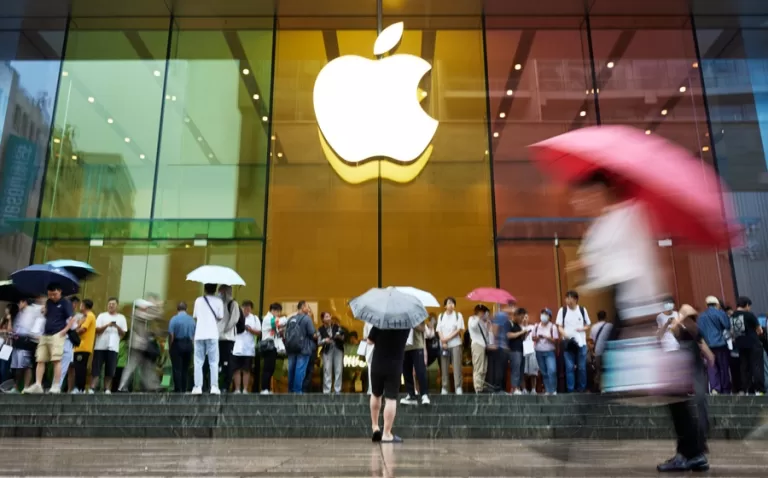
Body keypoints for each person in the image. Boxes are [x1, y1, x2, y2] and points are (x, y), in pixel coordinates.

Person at [657, 304, 710, 472]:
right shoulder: (677, 325)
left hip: (689, 369)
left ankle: (690, 454)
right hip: (682, 366)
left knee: (685, 405)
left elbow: (700, 341)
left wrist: (682, 316)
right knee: (681, 404)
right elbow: (672, 332)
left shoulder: (691, 326)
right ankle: (693, 454)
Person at [23, 283, 76, 394]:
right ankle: (38, 384)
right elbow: (48, 316)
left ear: (60, 291)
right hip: (46, 334)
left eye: (54, 294)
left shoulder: (65, 303)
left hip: (58, 334)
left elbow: (72, 319)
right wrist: (44, 311)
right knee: (40, 359)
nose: (52, 296)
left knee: (56, 360)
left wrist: (64, 331)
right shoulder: (48, 302)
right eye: (50, 294)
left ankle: (56, 385)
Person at [368, 325, 411, 443]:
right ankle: (387, 433)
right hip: (394, 365)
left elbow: (369, 340)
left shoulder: (380, 321)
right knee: (391, 398)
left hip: (377, 363)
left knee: (376, 394)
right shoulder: (405, 325)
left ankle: (375, 427)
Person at [119, 296, 162, 392]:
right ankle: (122, 386)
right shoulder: (138, 313)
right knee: (131, 366)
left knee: (147, 365)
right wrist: (156, 307)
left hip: (143, 345)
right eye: (146, 306)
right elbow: (151, 317)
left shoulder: (141, 314)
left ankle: (153, 386)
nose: (147, 308)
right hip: (137, 345)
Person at [555, 291, 591, 393]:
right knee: (569, 368)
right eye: (566, 298)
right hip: (568, 343)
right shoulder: (563, 310)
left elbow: (588, 325)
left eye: (570, 298)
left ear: (575, 299)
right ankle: (571, 390)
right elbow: (559, 326)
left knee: (582, 367)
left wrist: (582, 328)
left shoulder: (582, 310)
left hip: (581, 343)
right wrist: (565, 335)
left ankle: (581, 388)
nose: (568, 300)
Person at [192, 283, 224, 395]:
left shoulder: (198, 300)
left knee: (198, 361)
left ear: (205, 289)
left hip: (199, 334)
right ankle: (214, 387)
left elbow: (195, 316)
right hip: (212, 334)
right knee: (214, 362)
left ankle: (197, 387)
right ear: (215, 290)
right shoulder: (219, 301)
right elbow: (220, 316)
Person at [91, 297, 127, 393]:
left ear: (117, 306)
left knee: (110, 370)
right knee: (96, 368)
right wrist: (107, 325)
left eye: (113, 304)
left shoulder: (121, 318)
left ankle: (107, 388)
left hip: (113, 348)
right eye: (109, 304)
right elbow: (96, 330)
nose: (111, 306)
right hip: (100, 346)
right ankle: (93, 387)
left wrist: (116, 326)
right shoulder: (102, 316)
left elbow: (123, 333)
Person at [697, 296, 732, 394]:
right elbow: (727, 326)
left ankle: (715, 388)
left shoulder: (701, 316)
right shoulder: (720, 313)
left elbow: (699, 332)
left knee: (712, 368)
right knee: (723, 367)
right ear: (717, 304)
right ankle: (725, 389)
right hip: (720, 344)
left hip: (707, 346)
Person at [731, 296, 765, 395]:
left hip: (740, 345)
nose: (749, 308)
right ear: (746, 305)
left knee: (744, 368)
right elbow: (759, 330)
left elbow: (732, 332)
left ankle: (748, 390)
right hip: (753, 344)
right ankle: (759, 390)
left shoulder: (732, 317)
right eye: (749, 306)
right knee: (757, 366)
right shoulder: (749, 315)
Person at [11, 297, 43, 392]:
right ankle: (15, 387)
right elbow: (16, 327)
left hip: (28, 340)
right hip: (18, 340)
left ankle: (25, 387)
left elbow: (41, 309)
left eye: (20, 302)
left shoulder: (32, 310)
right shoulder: (20, 313)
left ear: (24, 302)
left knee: (26, 365)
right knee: (17, 366)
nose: (18, 304)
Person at [285, 300, 315, 394]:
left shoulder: (291, 319)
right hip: (303, 348)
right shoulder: (307, 319)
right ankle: (297, 391)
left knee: (291, 370)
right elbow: (312, 333)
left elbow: (286, 333)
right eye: (307, 307)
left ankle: (290, 390)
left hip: (291, 348)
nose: (308, 309)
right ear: (302, 307)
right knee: (300, 370)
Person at [436, 297, 465, 395]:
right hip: (444, 345)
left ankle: (458, 387)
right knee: (444, 366)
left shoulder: (458, 315)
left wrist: (446, 339)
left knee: (457, 366)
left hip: (455, 344)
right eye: (449, 303)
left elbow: (458, 330)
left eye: (453, 303)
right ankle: (444, 387)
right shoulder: (440, 316)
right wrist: (443, 341)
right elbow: (439, 330)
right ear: (445, 306)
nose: (451, 305)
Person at [232, 300, 260, 394]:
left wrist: (250, 329)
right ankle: (237, 389)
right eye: (244, 307)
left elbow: (259, 333)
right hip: (236, 347)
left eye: (248, 308)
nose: (246, 310)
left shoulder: (254, 318)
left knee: (246, 370)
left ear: (251, 309)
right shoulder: (236, 318)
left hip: (248, 349)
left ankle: (245, 389)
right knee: (236, 370)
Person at [217, 285, 241, 393]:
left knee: (227, 363)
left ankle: (225, 385)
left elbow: (234, 320)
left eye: (221, 291)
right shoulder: (219, 303)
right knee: (218, 363)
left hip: (228, 338)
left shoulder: (233, 304)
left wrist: (225, 330)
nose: (219, 294)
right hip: (218, 338)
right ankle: (217, 384)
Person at [400, 319, 430, 405]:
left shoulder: (416, 314)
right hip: (404, 346)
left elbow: (423, 329)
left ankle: (424, 394)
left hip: (417, 346)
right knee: (406, 371)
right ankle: (410, 394)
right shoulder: (400, 315)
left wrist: (412, 323)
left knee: (420, 371)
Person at [168, 301, 195, 393]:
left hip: (177, 344)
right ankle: (184, 388)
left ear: (177, 309)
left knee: (177, 368)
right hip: (188, 345)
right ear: (186, 309)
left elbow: (171, 335)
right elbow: (194, 335)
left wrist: (170, 347)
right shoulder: (191, 319)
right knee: (185, 368)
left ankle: (178, 388)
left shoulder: (174, 319)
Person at [72, 299, 96, 394]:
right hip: (79, 347)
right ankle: (79, 388)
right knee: (78, 368)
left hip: (83, 346)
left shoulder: (90, 316)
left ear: (84, 306)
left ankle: (79, 388)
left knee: (80, 368)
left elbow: (82, 329)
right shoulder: (85, 316)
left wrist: (72, 333)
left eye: (81, 304)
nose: (80, 306)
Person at [533, 308, 559, 395]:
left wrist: (547, 337)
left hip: (549, 351)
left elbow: (555, 340)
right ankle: (548, 390)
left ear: (550, 317)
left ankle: (553, 389)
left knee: (552, 370)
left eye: (546, 314)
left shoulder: (553, 326)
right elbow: (533, 337)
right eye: (542, 314)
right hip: (539, 351)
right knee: (544, 372)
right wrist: (538, 337)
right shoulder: (536, 326)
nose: (543, 316)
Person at [259, 303, 283, 394]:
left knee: (271, 368)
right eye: (278, 311)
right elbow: (278, 322)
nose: (279, 314)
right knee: (267, 368)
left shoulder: (271, 319)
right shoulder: (268, 318)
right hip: (268, 346)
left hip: (272, 346)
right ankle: (264, 388)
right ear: (273, 310)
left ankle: (268, 388)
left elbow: (274, 330)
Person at [318, 312, 344, 394]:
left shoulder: (337, 326)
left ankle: (337, 390)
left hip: (338, 349)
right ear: (322, 319)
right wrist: (324, 340)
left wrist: (339, 336)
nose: (329, 318)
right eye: (326, 317)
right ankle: (327, 391)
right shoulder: (320, 329)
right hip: (327, 350)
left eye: (329, 316)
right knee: (327, 370)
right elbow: (318, 342)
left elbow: (343, 337)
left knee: (338, 370)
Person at [467, 305, 490, 393]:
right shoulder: (472, 319)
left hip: (484, 346)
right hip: (477, 345)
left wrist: (487, 325)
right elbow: (472, 326)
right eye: (484, 312)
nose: (486, 315)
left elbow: (486, 335)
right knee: (478, 368)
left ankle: (481, 386)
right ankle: (477, 388)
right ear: (480, 312)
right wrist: (478, 317)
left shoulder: (482, 321)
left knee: (484, 368)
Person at [61, 296, 81, 392]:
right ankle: (58, 386)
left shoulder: (75, 315)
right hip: (64, 341)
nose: (75, 306)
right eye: (74, 303)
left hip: (71, 343)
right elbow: (75, 328)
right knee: (62, 365)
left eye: (76, 304)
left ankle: (69, 389)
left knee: (71, 367)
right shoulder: (65, 313)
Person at [588, 310, 612, 392]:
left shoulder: (593, 327)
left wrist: (592, 352)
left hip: (598, 351)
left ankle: (600, 388)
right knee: (608, 369)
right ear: (606, 317)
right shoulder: (610, 326)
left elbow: (591, 341)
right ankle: (608, 387)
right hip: (608, 351)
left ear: (597, 317)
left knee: (599, 370)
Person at [507, 308, 528, 395]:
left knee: (521, 370)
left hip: (521, 350)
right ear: (515, 315)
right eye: (521, 317)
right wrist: (521, 332)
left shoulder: (519, 326)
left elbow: (521, 338)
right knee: (515, 370)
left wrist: (525, 334)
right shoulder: (509, 324)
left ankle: (519, 388)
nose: (522, 319)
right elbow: (508, 335)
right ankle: (514, 387)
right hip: (514, 350)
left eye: (523, 317)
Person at [521, 313, 538, 394]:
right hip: (522, 351)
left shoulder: (532, 327)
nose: (524, 318)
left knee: (533, 371)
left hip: (531, 350)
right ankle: (524, 389)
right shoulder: (519, 328)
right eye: (523, 317)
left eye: (526, 317)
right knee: (523, 371)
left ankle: (533, 389)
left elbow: (536, 337)